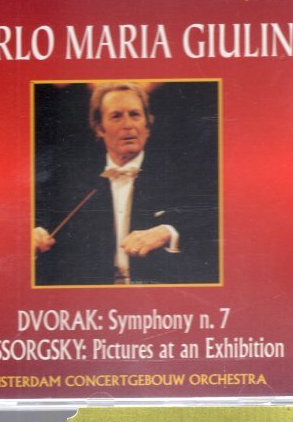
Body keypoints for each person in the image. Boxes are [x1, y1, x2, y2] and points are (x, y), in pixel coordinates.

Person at [34, 82, 218, 285]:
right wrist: (37, 234)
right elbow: (45, 224)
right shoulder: (74, 181)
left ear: (147, 126)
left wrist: (168, 231)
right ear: (99, 128)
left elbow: (210, 220)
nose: (128, 124)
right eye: (116, 116)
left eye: (135, 115)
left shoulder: (180, 174)